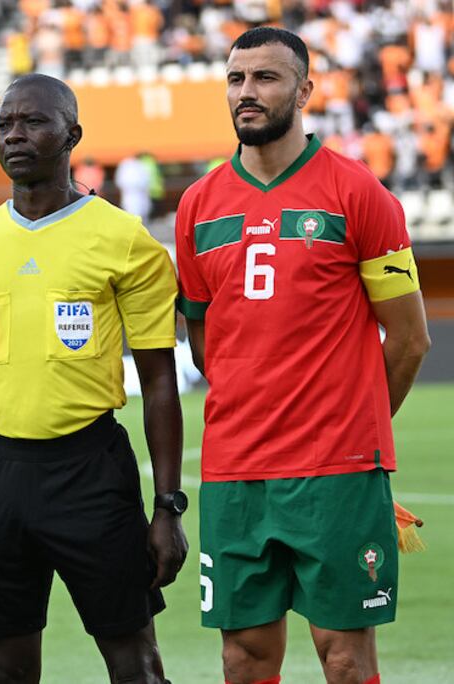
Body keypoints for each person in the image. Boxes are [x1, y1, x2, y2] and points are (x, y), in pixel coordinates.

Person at [174, 28, 431, 684]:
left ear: (306, 91)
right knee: (243, 659)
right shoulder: (198, 206)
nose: (247, 93)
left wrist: (358, 427)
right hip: (236, 474)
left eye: (266, 78)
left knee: (344, 659)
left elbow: (407, 339)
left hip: (338, 472)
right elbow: (207, 343)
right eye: (236, 80)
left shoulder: (359, 193)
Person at [0, 74, 187, 684]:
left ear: (72, 134)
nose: (14, 135)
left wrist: (168, 507)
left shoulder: (124, 238)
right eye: (4, 124)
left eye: (33, 122)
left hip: (90, 471)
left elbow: (157, 381)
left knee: (135, 663)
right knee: (3, 667)